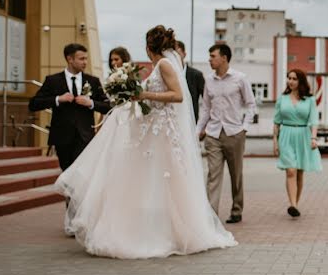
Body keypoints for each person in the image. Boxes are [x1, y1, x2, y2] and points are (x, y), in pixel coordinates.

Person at [53, 26, 237, 258]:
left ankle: (167, 232)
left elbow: (177, 95)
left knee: (161, 182)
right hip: (153, 131)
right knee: (152, 183)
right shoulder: (160, 65)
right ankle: (157, 229)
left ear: (149, 47)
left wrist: (144, 95)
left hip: (162, 133)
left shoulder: (165, 65)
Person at [197, 44, 256, 224]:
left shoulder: (240, 78)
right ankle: (211, 215)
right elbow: (206, 108)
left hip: (234, 134)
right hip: (213, 134)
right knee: (213, 175)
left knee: (236, 174)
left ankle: (237, 210)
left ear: (224, 58)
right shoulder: (208, 80)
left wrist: (244, 128)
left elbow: (251, 104)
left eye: (213, 56)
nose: (210, 59)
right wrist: (198, 130)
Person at [29, 43, 110, 172]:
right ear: (70, 59)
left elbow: (107, 106)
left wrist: (91, 103)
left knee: (80, 172)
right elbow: (33, 104)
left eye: (86, 58)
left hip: (85, 136)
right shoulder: (52, 80)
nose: (85, 62)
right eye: (81, 59)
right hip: (62, 137)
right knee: (67, 172)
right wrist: (57, 99)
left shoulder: (93, 81)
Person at [273, 69, 322, 216]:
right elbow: (276, 122)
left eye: (294, 79)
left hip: (303, 136)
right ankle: (292, 204)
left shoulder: (310, 100)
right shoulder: (282, 99)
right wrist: (275, 142)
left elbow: (313, 121)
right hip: (286, 135)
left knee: (299, 172)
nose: (291, 81)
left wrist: (313, 138)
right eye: (289, 78)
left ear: (300, 81)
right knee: (291, 170)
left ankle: (295, 205)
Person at [174, 40, 205, 122]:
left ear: (184, 54)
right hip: (172, 121)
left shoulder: (196, 75)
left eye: (178, 53)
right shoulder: (167, 75)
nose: (175, 57)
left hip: (192, 121)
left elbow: (207, 101)